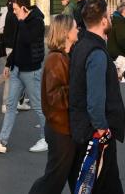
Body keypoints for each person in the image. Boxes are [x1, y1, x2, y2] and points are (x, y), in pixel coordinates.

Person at [68, 0, 125, 193]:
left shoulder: (82, 46)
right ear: (102, 21)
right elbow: (94, 100)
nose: (110, 19)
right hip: (95, 134)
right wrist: (102, 128)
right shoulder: (96, 53)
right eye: (108, 16)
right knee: (99, 185)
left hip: (84, 128)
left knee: (108, 183)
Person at [0, 0, 48, 154]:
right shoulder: (20, 20)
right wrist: (9, 62)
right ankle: (1, 141)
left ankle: (47, 138)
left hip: (31, 71)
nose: (14, 12)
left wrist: (22, 21)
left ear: (24, 8)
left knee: (39, 106)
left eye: (16, 9)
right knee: (11, 105)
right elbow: (17, 44)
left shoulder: (37, 22)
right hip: (17, 68)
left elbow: (27, 40)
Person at [29, 13, 79, 194]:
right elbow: (54, 96)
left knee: (66, 175)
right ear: (66, 32)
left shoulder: (65, 55)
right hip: (60, 129)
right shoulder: (56, 59)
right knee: (54, 180)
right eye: (74, 27)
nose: (77, 29)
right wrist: (79, 85)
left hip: (65, 127)